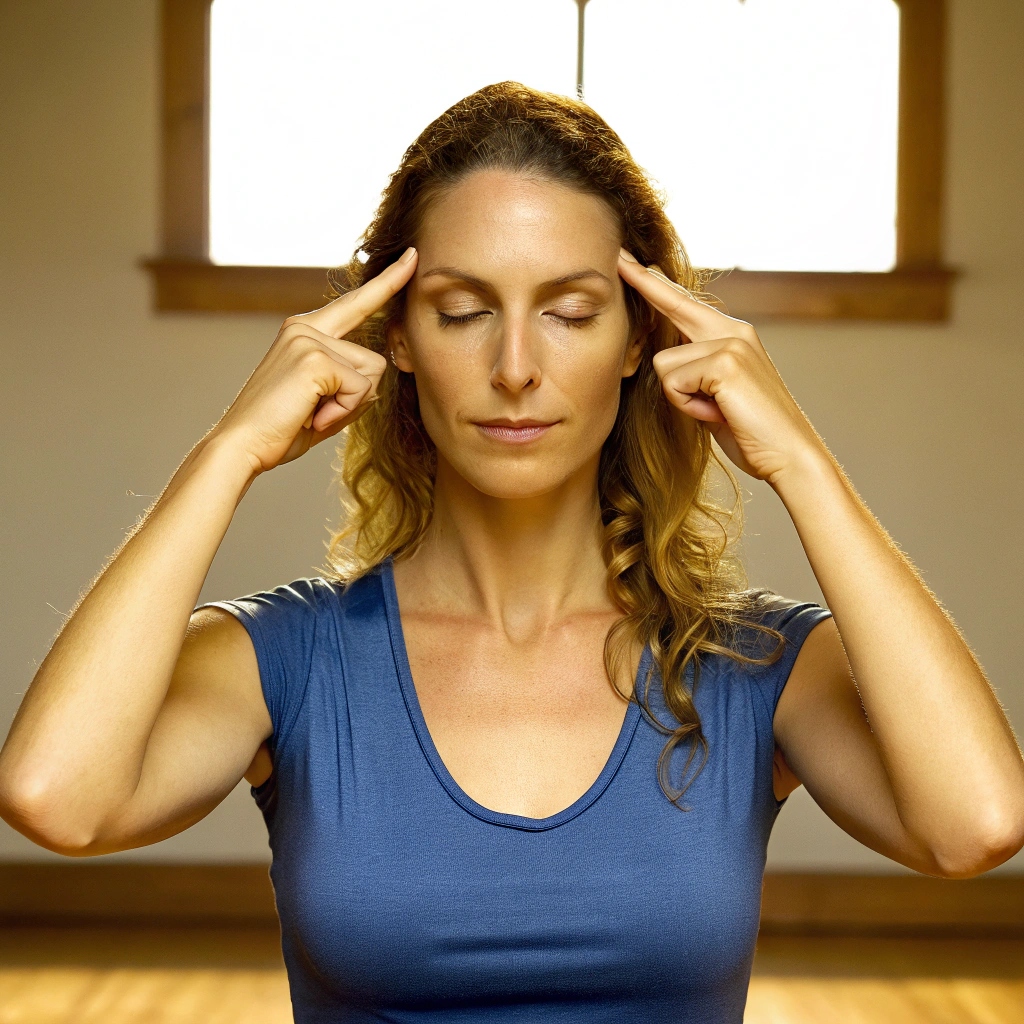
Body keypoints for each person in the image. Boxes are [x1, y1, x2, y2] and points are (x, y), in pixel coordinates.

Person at [1, 81, 1022, 1022]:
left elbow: (972, 823)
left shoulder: (754, 666)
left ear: (639, 340)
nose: (516, 367)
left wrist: (799, 462)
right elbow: (58, 799)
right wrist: (226, 454)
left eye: (571, 312)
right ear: (396, 334)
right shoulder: (288, 658)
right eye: (462, 310)